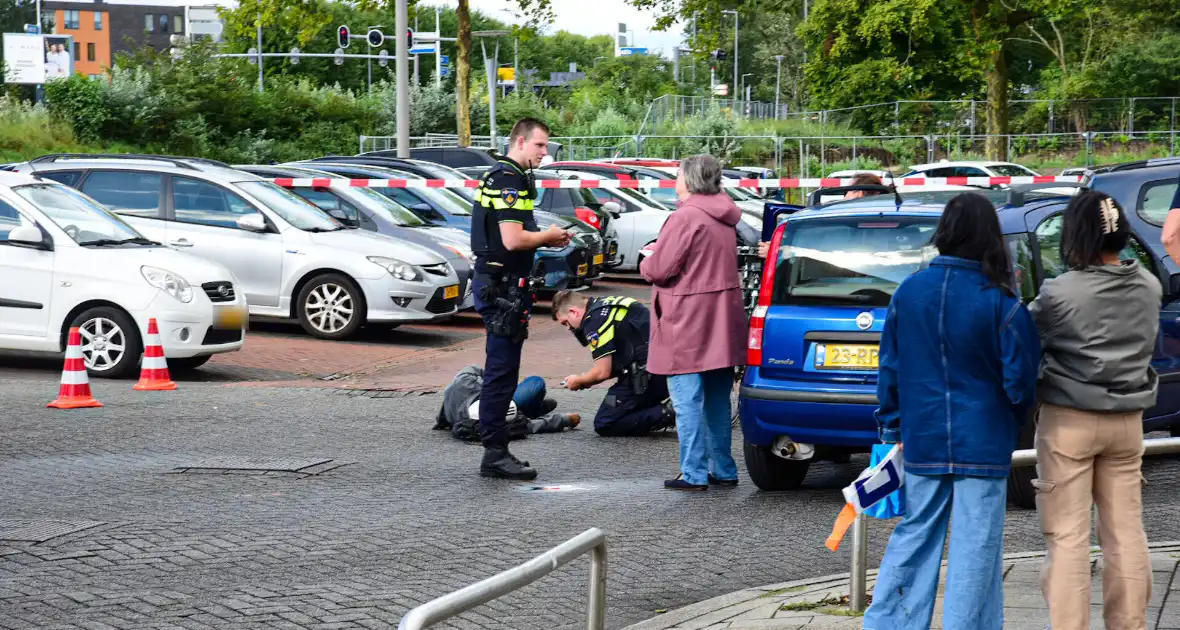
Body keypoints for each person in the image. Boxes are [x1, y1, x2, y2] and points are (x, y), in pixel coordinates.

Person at [863, 192, 1041, 629]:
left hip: (921, 438)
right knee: (976, 548)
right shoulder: (1003, 301)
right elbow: (1021, 381)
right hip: (983, 442)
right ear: (989, 238)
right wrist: (1010, 421)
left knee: (915, 536)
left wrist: (891, 429)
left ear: (943, 233)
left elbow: (890, 368)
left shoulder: (909, 292)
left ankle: (890, 623)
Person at [1029, 191, 1159, 630]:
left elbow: (1028, 335)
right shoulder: (1148, 285)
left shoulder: (1059, 292)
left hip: (1069, 423)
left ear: (1074, 233)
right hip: (1128, 423)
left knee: (1067, 538)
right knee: (1125, 532)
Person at [470, 117, 572, 480]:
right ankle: (494, 453)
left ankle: (496, 447)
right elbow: (512, 239)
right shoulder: (509, 178)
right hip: (502, 289)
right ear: (521, 142)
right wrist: (548, 236)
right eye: (540, 146)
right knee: (501, 372)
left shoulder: (506, 176)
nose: (545, 153)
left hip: (501, 285)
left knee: (503, 370)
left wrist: (545, 237)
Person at [640, 154, 747, 491]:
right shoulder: (727, 215)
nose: (675, 180)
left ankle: (694, 472)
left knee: (687, 400)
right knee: (717, 398)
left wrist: (648, 261)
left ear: (689, 179)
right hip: (722, 316)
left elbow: (661, 270)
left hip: (687, 318)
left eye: (677, 174)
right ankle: (725, 469)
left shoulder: (685, 217)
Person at [552, 291, 677, 437]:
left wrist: (578, 380)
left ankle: (671, 412)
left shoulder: (594, 320)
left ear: (573, 312)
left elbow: (602, 372)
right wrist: (586, 381)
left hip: (647, 377)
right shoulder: (609, 303)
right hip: (666, 367)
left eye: (565, 322)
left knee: (605, 423)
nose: (568, 328)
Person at [434, 367, 580, 443]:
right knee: (536, 382)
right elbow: (533, 426)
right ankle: (536, 409)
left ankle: (531, 408)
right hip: (513, 403)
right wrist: (565, 420)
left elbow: (447, 402)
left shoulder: (464, 381)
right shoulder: (479, 426)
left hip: (501, 393)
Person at [756, 172, 886, 257]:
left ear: (859, 193)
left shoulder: (838, 222)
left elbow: (812, 255)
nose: (845, 196)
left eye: (848, 191)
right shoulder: (888, 221)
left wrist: (775, 254)